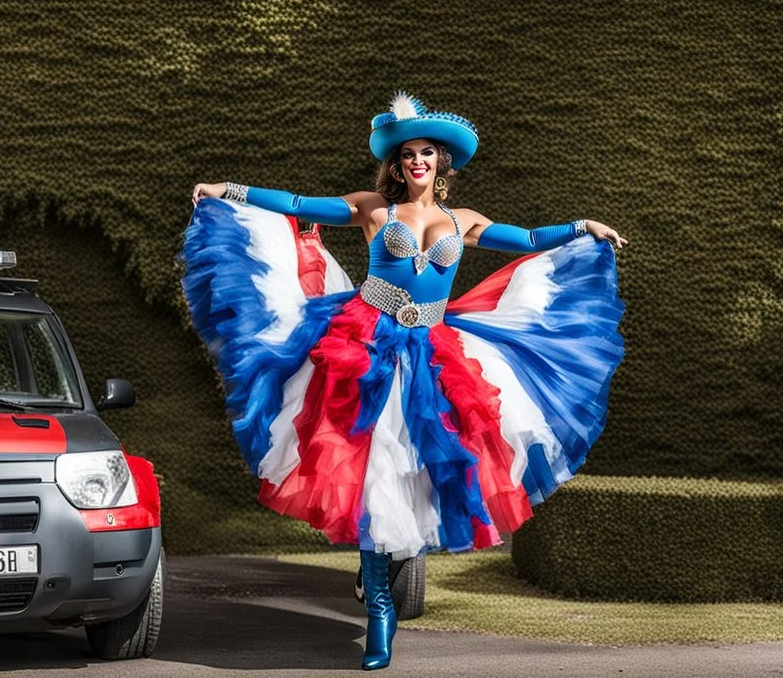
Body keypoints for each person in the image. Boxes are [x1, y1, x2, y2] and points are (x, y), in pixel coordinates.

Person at [179, 92, 626, 670]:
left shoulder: (461, 223)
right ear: (395, 164)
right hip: (366, 346)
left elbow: (531, 240)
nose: (417, 161)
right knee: (371, 475)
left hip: (437, 353)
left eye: (427, 153)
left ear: (442, 164)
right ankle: (381, 612)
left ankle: (383, 584)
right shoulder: (371, 208)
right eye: (407, 153)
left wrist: (581, 227)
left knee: (424, 478)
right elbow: (293, 202)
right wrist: (228, 191)